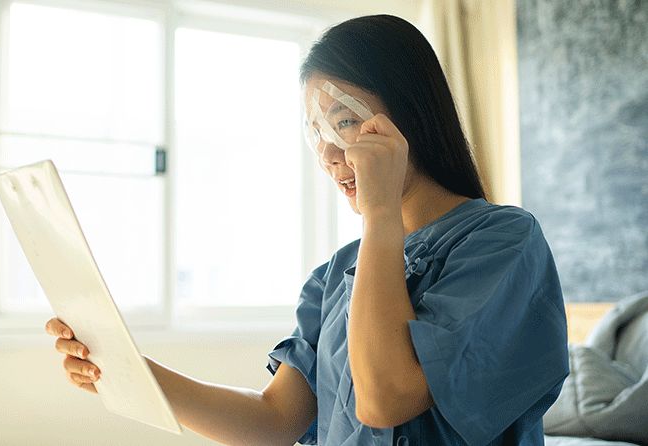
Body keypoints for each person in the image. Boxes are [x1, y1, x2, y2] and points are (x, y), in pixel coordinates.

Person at [45, 14, 570, 446]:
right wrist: (127, 369)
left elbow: (385, 399)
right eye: (316, 131)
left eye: (343, 122)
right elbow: (275, 421)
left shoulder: (505, 241)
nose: (329, 154)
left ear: (410, 113)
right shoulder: (338, 273)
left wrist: (380, 213)